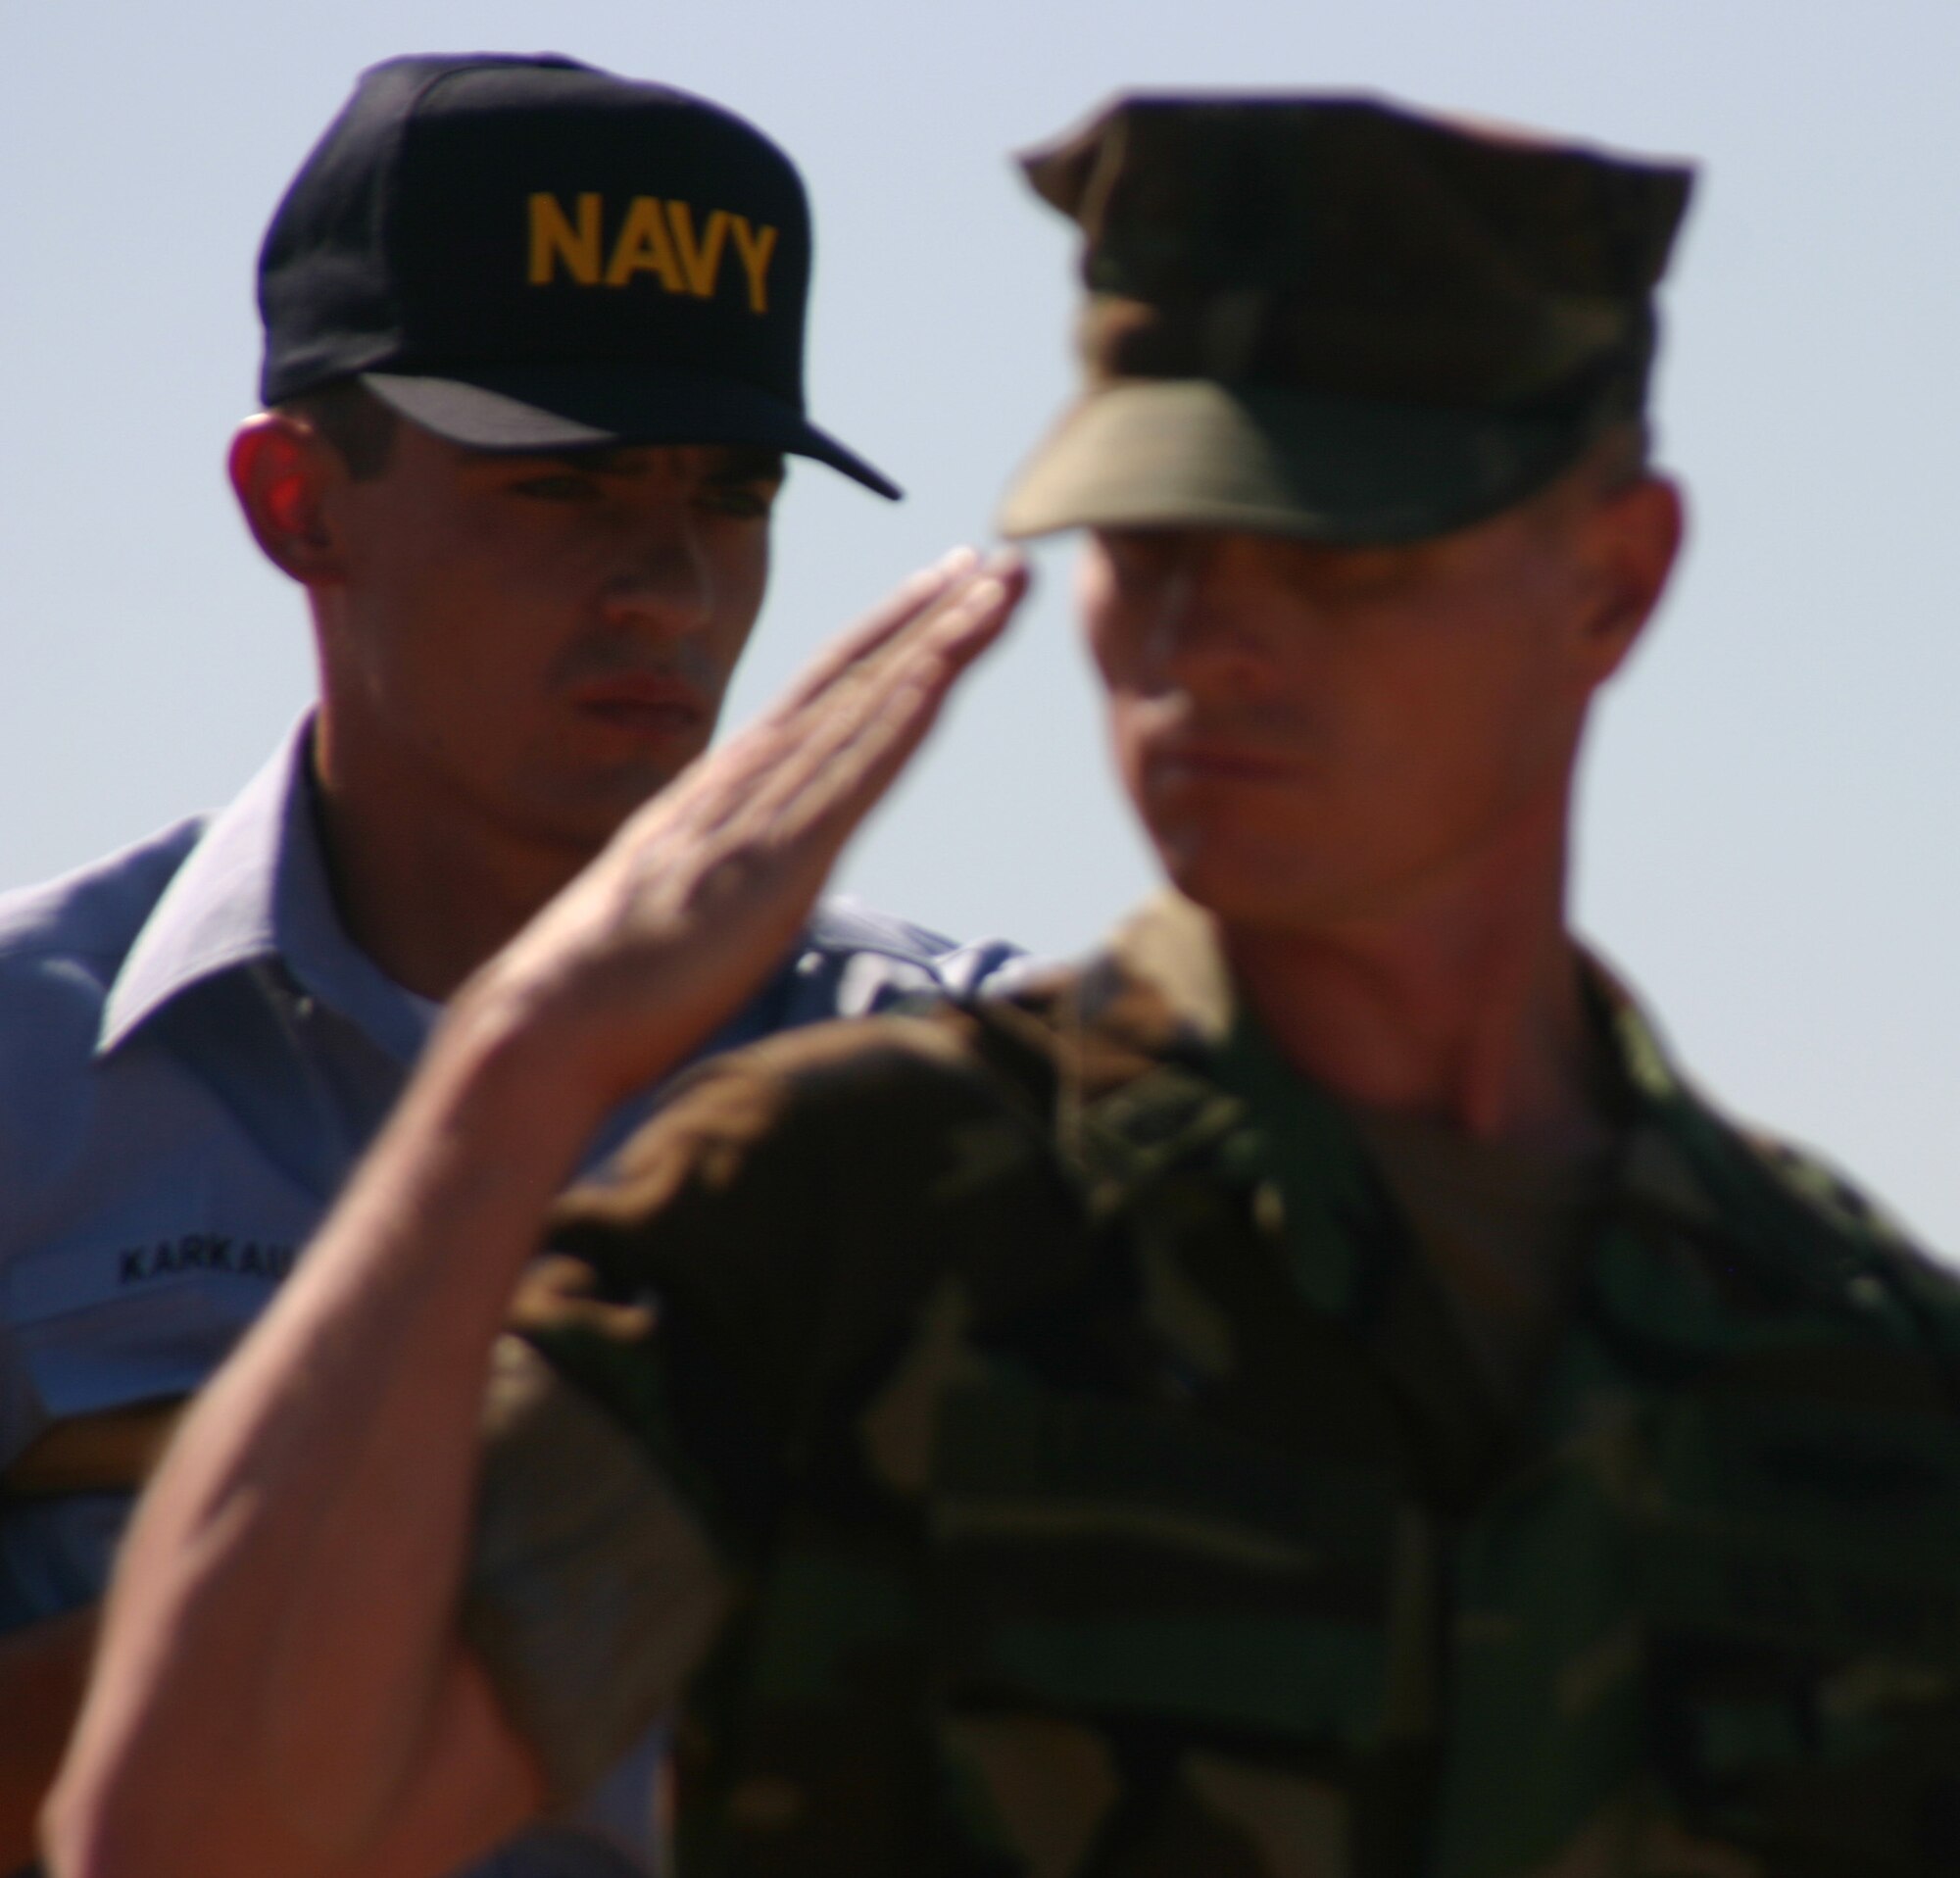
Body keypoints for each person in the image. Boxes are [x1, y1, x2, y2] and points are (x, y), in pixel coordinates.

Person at [48, 93, 1960, 1878]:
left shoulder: (1856, 1357)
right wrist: (523, 1076)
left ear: (1611, 582)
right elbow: (207, 1838)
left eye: (1335, 555)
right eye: (1151, 546)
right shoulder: (868, 1206)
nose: (1212, 641)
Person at [0, 51, 1026, 1878]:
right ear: (298, 502)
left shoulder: (975, 1091)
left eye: (731, 497)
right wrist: (579, 1521)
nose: (671, 587)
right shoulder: (24, 1076)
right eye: (566, 488)